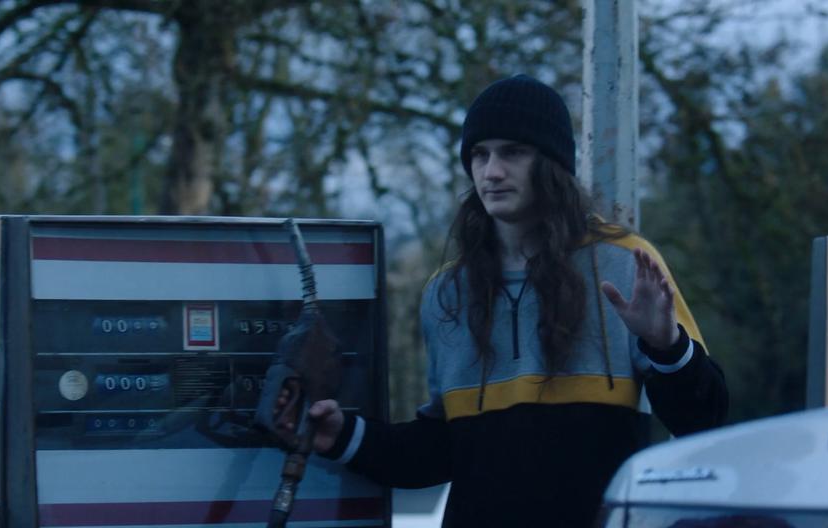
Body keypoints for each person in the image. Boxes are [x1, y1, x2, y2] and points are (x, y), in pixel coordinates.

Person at [289, 74, 728, 527]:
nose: (491, 172)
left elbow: (704, 420)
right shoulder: (447, 293)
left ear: (553, 164)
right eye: (480, 154)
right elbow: (442, 452)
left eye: (513, 152)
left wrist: (667, 347)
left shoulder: (624, 263)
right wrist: (345, 436)